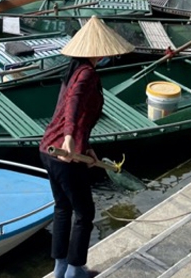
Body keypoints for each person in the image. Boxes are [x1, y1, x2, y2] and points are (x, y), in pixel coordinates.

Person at [39, 15, 135, 278]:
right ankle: (74, 271)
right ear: (98, 50)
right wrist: (71, 138)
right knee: (84, 213)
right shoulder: (87, 74)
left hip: (48, 148)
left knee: (62, 207)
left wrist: (86, 147)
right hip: (64, 153)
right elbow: (74, 106)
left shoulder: (72, 70)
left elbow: (74, 112)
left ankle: (59, 269)